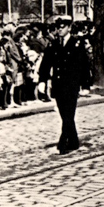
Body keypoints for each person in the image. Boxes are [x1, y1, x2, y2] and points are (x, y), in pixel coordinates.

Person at [38, 16, 90, 155]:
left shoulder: (77, 44)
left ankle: (63, 142)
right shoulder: (53, 44)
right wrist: (42, 80)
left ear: (69, 28)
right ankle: (73, 141)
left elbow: (84, 65)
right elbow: (45, 64)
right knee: (65, 114)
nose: (60, 30)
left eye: (63, 27)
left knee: (68, 114)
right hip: (58, 85)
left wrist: (85, 85)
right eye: (58, 27)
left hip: (71, 85)